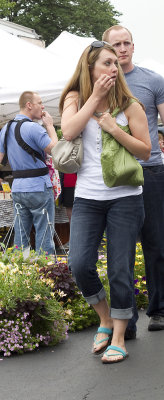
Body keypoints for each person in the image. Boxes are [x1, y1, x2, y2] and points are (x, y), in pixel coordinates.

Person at [59, 41, 151, 363]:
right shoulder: (75, 98)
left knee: (120, 269)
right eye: (107, 63)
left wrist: (115, 129)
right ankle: (105, 317)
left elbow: (145, 151)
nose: (114, 68)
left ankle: (120, 337)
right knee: (80, 263)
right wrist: (95, 99)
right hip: (87, 197)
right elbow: (69, 130)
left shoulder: (130, 105)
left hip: (125, 198)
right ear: (90, 68)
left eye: (116, 63)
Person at [103, 25, 164, 333]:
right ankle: (124, 320)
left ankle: (159, 309)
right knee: (121, 247)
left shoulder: (153, 80)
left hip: (150, 169)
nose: (123, 48)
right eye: (117, 44)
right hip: (114, 175)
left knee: (156, 243)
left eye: (127, 43)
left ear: (133, 46)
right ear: (107, 49)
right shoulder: (100, 83)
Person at [0, 91, 58, 254]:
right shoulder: (34, 128)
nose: (43, 106)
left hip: (18, 187)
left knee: (21, 233)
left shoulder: (5, 129)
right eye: (40, 102)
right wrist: (50, 126)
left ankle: (21, 272)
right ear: (29, 105)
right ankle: (44, 273)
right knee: (44, 233)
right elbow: (55, 150)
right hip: (39, 186)